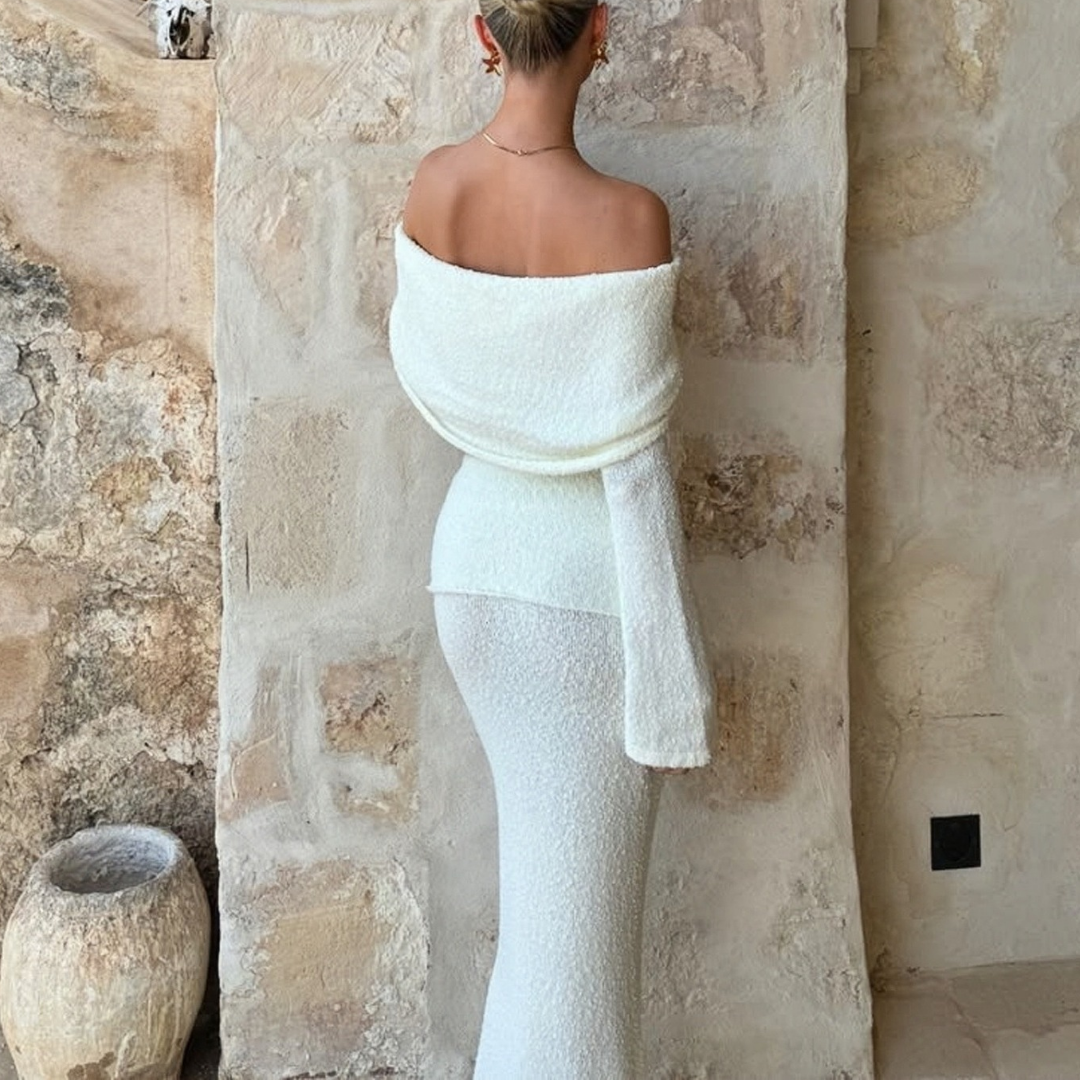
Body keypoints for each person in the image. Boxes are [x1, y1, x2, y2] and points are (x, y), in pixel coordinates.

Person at [388, 1, 715, 1075]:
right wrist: (671, 653)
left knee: (546, 930)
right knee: (582, 950)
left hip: (474, 574)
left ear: (483, 36)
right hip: (585, 594)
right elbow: (631, 453)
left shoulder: (436, 189)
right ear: (599, 31)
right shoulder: (632, 222)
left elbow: (439, 376)